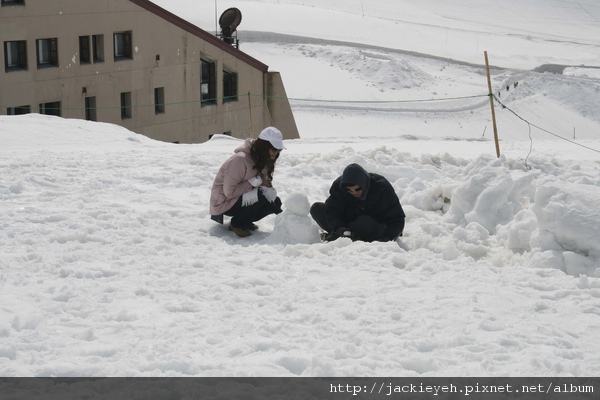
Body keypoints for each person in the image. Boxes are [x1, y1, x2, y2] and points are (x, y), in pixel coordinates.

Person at [210, 127, 285, 237]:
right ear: (264, 146)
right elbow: (229, 192)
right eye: (274, 149)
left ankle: (245, 221)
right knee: (262, 195)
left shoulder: (265, 159)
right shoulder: (240, 160)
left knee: (275, 202)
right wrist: (255, 182)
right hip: (224, 202)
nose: (276, 153)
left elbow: (265, 183)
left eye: (279, 150)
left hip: (242, 198)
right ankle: (237, 224)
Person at [310, 163, 405, 242]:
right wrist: (339, 228)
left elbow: (397, 218)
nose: (354, 192)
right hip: (349, 224)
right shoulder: (339, 188)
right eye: (349, 190)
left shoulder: (381, 188)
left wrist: (387, 237)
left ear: (363, 184)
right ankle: (345, 236)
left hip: (375, 227)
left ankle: (336, 239)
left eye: (357, 189)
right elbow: (332, 210)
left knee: (364, 221)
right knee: (317, 208)